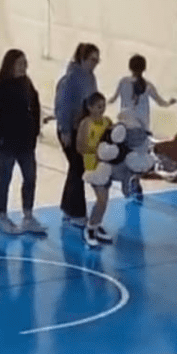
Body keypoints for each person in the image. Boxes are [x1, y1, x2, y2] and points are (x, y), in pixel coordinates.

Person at [0, 48, 46, 235]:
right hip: (6, 144)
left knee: (30, 177)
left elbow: (35, 105)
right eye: (20, 63)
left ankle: (28, 216)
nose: (24, 67)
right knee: (5, 179)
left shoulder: (27, 84)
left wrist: (35, 130)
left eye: (25, 63)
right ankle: (3, 216)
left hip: (26, 142)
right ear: (11, 65)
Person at [55, 43, 100, 228]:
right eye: (92, 59)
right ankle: (76, 212)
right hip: (70, 129)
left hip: (83, 128)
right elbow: (63, 106)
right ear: (82, 58)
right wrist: (65, 130)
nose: (95, 63)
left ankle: (67, 207)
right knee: (77, 168)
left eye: (97, 60)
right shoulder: (71, 79)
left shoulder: (90, 78)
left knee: (76, 168)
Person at [77, 92, 114, 247]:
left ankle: (97, 225)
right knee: (102, 199)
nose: (102, 109)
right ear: (90, 108)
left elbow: (114, 140)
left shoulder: (108, 121)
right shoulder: (86, 123)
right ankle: (90, 228)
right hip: (93, 166)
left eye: (103, 106)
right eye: (99, 106)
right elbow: (80, 147)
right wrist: (98, 150)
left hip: (106, 165)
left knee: (104, 200)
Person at [110, 54, 177, 133]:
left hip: (125, 125)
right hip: (142, 127)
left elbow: (113, 99)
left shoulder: (123, 81)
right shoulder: (148, 85)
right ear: (144, 68)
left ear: (130, 67)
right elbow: (161, 103)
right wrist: (170, 103)